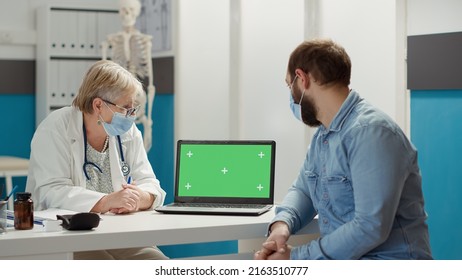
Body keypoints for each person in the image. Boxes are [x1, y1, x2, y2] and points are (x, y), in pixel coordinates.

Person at [254, 39, 432, 260]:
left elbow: (370, 226)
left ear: (302, 78)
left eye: (289, 86)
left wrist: (297, 257)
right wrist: (282, 225)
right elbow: (304, 191)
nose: (291, 97)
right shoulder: (323, 137)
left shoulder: (372, 133)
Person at [26, 60, 168, 260]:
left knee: (158, 264)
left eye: (133, 108)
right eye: (126, 108)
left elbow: (150, 182)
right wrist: (106, 201)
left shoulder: (127, 131)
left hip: (119, 231)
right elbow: (51, 191)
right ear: (98, 105)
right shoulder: (56, 128)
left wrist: (140, 199)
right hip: (66, 233)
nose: (131, 116)